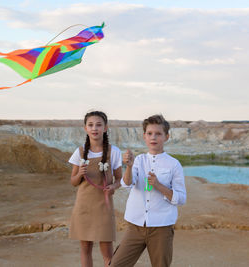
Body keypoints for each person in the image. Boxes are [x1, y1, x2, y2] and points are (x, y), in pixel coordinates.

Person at [110, 114, 187, 267]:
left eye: (158, 134)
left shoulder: (174, 164)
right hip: (136, 226)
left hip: (161, 228)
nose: (154, 137)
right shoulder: (139, 160)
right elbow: (127, 183)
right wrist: (129, 166)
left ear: (166, 137)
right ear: (144, 136)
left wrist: (159, 186)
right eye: (150, 133)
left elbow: (181, 198)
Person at [69, 111, 122, 267]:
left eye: (99, 125)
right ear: (85, 128)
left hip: (104, 207)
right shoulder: (79, 153)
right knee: (85, 248)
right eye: (91, 125)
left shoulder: (114, 152)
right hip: (83, 207)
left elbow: (120, 179)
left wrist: (113, 186)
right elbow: (73, 182)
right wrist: (79, 173)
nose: (95, 128)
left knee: (107, 251)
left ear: (105, 128)